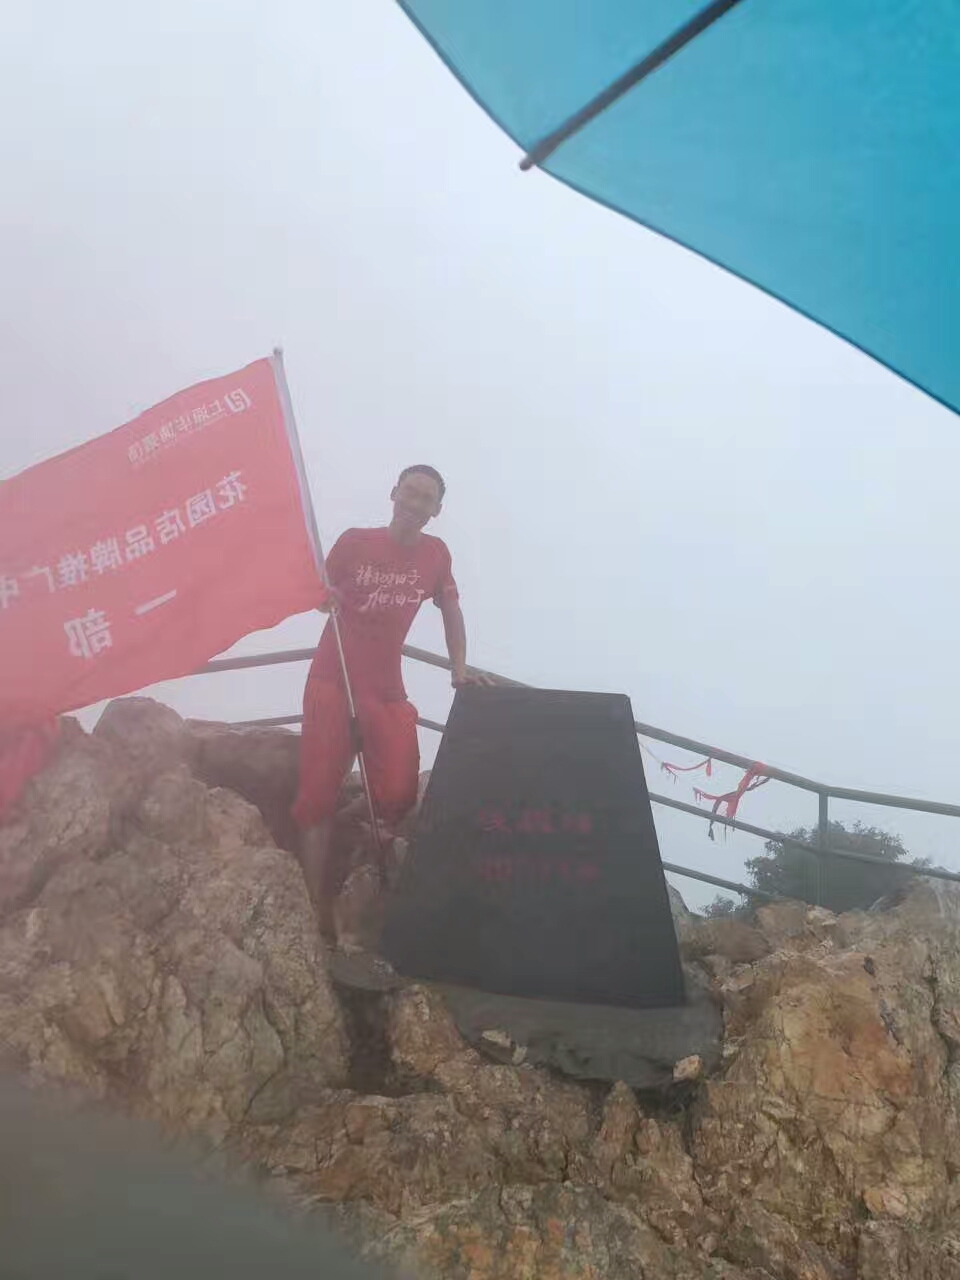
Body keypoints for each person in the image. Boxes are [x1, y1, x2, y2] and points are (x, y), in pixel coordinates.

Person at [293, 464, 488, 937]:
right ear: (394, 493)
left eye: (427, 498)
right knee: (316, 794)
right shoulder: (355, 541)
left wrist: (459, 669)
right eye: (411, 492)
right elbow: (317, 591)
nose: (416, 503)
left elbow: (451, 610)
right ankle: (314, 906)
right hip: (333, 677)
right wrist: (322, 596)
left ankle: (347, 822)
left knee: (400, 789)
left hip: (385, 687)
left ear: (436, 510)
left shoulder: (436, 555)